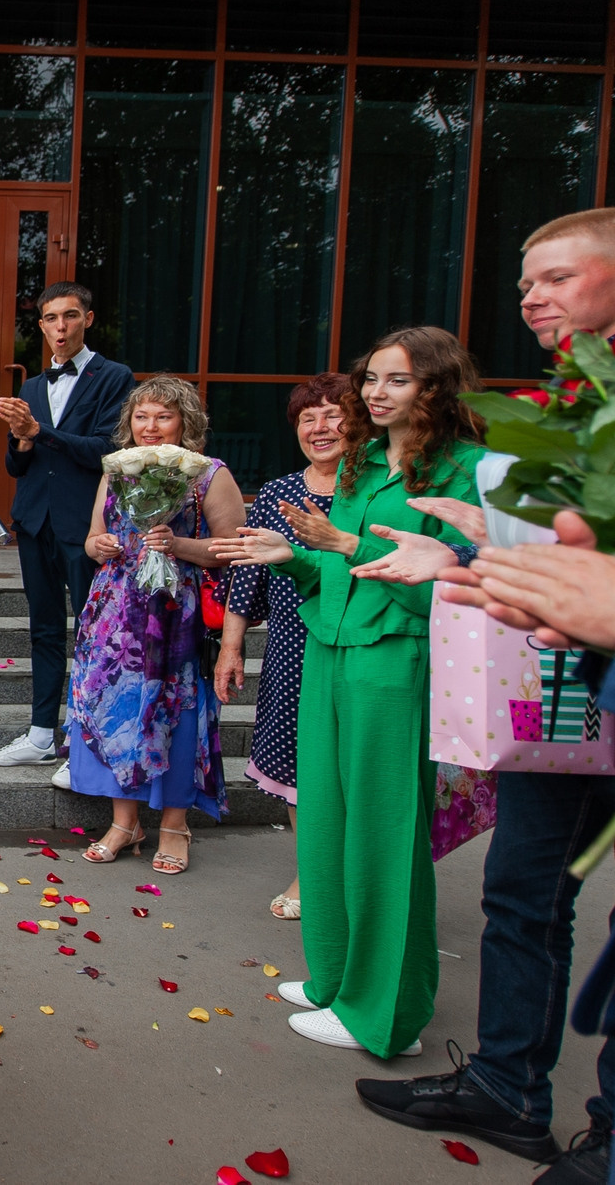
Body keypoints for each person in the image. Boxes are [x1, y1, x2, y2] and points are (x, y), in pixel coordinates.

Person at [353, 208, 615, 1185]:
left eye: (556, 277)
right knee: (520, 890)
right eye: (524, 283)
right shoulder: (562, 407)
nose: (531, 297)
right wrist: (463, 554)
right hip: (563, 687)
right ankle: (508, 1085)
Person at [214, 325, 485, 1061]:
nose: (375, 392)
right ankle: (336, 979)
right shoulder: (363, 461)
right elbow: (333, 573)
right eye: (371, 378)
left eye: (397, 379)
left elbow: (455, 589)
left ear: (436, 385)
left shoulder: (466, 470)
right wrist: (290, 556)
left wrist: (346, 545)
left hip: (394, 662)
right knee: (327, 825)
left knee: (383, 838)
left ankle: (385, 1014)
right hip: (327, 653)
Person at [68, 377, 244, 873]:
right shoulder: (116, 469)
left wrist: (178, 545)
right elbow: (93, 538)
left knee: (175, 713)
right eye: (141, 416)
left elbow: (232, 549)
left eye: (163, 416)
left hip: (174, 614)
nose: (150, 426)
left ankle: (174, 826)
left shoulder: (209, 474)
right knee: (112, 708)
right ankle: (125, 823)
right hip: (114, 615)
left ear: (185, 422)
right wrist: (99, 546)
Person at [0, 282, 134, 779]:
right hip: (34, 520)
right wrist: (22, 442)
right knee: (44, 630)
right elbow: (15, 466)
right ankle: (40, 735)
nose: (60, 327)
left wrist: (38, 432)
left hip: (84, 523)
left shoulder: (114, 376)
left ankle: (87, 741)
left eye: (70, 316)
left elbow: (107, 451)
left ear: (87, 319)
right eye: (51, 318)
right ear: (42, 326)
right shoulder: (31, 386)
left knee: (94, 632)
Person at [215, 372, 347, 918]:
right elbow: (247, 575)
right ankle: (312, 871)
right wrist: (230, 647)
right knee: (296, 761)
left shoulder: (375, 489)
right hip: (293, 647)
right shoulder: (277, 492)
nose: (320, 427)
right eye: (307, 417)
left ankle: (354, 874)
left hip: (357, 644)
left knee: (347, 763)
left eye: (333, 414)